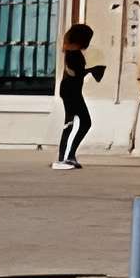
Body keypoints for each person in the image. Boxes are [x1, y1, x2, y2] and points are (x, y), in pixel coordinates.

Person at [55, 23, 100, 170]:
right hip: (71, 91)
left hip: (70, 90)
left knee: (74, 122)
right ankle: (66, 156)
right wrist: (92, 71)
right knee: (78, 122)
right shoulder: (73, 54)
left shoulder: (71, 52)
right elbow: (74, 73)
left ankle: (67, 155)